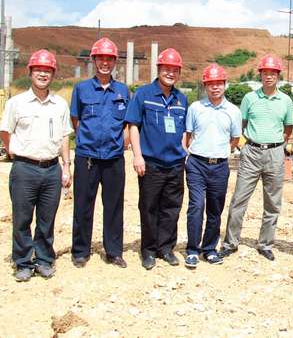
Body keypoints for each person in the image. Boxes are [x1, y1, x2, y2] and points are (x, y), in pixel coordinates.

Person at [0, 50, 73, 281]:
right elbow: (5, 132)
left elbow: (64, 136)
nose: (43, 74)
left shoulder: (60, 104)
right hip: (24, 169)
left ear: (53, 74)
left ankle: (43, 260)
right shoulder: (16, 103)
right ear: (30, 72)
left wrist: (66, 165)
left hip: (52, 169)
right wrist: (14, 153)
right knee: (22, 219)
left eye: (47, 71)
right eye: (38, 70)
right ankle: (23, 262)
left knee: (46, 219)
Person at [219, 54, 293, 261]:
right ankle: (230, 243)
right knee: (239, 199)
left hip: (276, 154)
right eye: (265, 73)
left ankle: (265, 244)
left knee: (273, 203)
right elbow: (241, 126)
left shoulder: (286, 101)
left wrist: (274, 143)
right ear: (260, 74)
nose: (269, 76)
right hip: (251, 152)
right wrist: (251, 144)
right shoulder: (249, 98)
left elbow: (288, 129)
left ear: (278, 75)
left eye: (273, 73)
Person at [70, 38, 130, 269]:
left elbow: (127, 124)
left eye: (109, 59)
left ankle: (113, 252)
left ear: (115, 62)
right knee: (83, 205)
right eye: (100, 58)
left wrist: (118, 144)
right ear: (93, 61)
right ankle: (80, 251)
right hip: (87, 157)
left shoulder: (122, 90)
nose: (105, 63)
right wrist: (89, 142)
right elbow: (76, 121)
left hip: (114, 158)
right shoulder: (81, 89)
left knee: (114, 206)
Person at [125, 48, 188, 270]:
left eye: (175, 70)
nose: (170, 73)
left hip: (175, 164)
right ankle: (149, 250)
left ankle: (166, 248)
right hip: (151, 164)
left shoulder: (181, 99)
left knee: (172, 208)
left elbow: (183, 130)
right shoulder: (143, 94)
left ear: (178, 73)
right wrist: (137, 156)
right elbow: (133, 125)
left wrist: (183, 151)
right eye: (166, 69)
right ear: (158, 69)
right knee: (149, 208)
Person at [184, 64, 242, 268]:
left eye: (218, 83)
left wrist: (220, 153)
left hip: (219, 166)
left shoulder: (233, 111)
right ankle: (192, 250)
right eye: (210, 83)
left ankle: (209, 249)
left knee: (215, 209)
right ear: (205, 86)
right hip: (196, 164)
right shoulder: (195, 108)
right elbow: (188, 135)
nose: (215, 87)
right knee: (196, 206)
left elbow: (235, 139)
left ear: (225, 85)